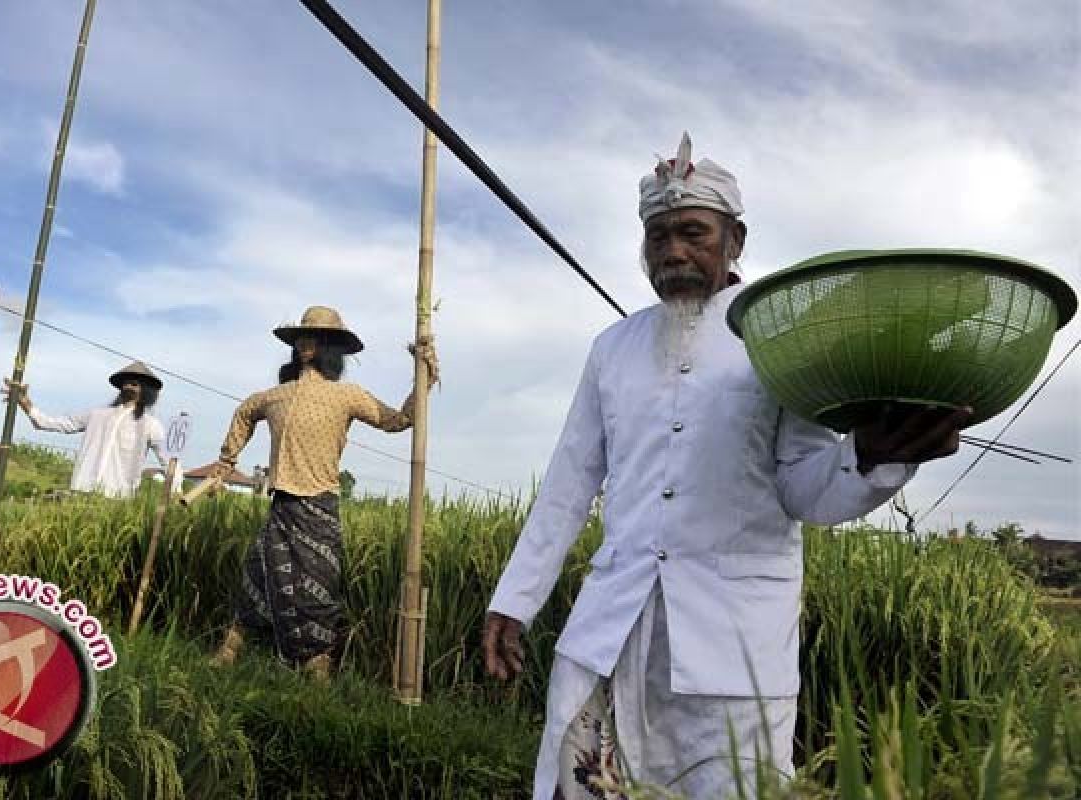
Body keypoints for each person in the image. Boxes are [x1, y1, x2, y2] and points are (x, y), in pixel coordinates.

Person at [481, 133, 970, 799]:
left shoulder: (778, 340)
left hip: (734, 651)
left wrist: (871, 458)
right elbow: (569, 485)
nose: (673, 252)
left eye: (692, 232)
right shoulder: (612, 349)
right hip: (612, 634)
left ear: (734, 240)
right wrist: (515, 599)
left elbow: (804, 489)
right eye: (657, 237)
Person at [208, 305, 439, 681]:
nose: (304, 343)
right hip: (282, 505)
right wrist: (225, 461)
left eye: (315, 337)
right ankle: (228, 653)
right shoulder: (275, 396)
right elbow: (244, 412)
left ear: (330, 345)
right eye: (301, 336)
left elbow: (399, 420)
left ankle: (318, 671)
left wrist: (424, 376)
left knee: (319, 588)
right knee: (258, 578)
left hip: (319, 507)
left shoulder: (346, 396)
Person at [2, 361, 167, 498]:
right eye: (128, 379)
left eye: (137, 380)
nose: (131, 382)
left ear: (146, 388)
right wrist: (25, 403)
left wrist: (177, 491)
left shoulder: (150, 425)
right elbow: (50, 422)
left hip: (119, 498)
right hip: (82, 490)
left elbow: (167, 460)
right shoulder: (97, 415)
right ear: (121, 385)